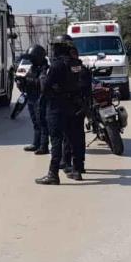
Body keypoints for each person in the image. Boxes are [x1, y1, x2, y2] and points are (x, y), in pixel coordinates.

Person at [35, 34, 86, 185]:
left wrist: (43, 78)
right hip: (73, 105)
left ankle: (53, 173)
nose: (53, 50)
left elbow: (45, 88)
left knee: (56, 140)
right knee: (74, 139)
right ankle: (77, 170)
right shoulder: (76, 63)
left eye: (55, 47)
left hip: (58, 107)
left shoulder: (57, 65)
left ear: (60, 48)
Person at [60, 47, 91, 174]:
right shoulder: (82, 68)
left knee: (68, 137)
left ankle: (68, 164)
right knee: (79, 136)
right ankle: (79, 164)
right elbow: (88, 89)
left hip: (70, 106)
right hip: (81, 106)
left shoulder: (67, 69)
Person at [22, 45, 49, 154]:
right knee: (35, 122)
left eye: (32, 57)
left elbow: (42, 83)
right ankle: (36, 143)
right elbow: (23, 79)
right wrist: (20, 80)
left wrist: (29, 81)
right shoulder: (30, 66)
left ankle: (44, 146)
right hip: (31, 96)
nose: (30, 59)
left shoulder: (44, 68)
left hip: (40, 97)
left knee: (42, 122)